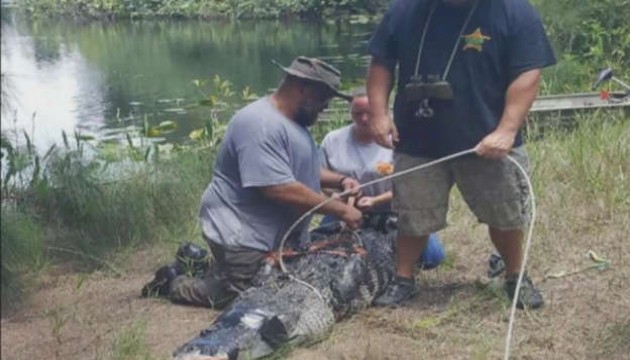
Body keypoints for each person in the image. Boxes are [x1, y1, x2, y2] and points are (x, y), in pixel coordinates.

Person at [366, 0, 556, 308]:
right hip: (417, 139)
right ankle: (404, 280)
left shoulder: (513, 10)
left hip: (487, 140)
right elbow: (381, 63)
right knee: (412, 215)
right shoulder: (404, 10)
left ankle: (515, 277)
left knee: (506, 214)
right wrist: (378, 113)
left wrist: (507, 130)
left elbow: (527, 73)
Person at [142, 56, 363, 309]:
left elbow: (298, 169)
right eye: (324, 97)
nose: (325, 106)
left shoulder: (293, 122)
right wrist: (342, 210)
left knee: (285, 280)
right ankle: (172, 282)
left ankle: (196, 261)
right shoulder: (260, 124)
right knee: (244, 296)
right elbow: (278, 188)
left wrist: (341, 179)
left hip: (269, 237)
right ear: (303, 88)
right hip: (243, 234)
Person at [318, 87, 445, 269]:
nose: (363, 119)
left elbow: (410, 185)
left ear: (382, 111)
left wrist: (375, 200)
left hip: (394, 208)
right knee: (320, 249)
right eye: (357, 114)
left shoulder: (400, 139)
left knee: (432, 258)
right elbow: (323, 180)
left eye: (369, 113)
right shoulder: (332, 140)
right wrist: (342, 197)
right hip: (345, 209)